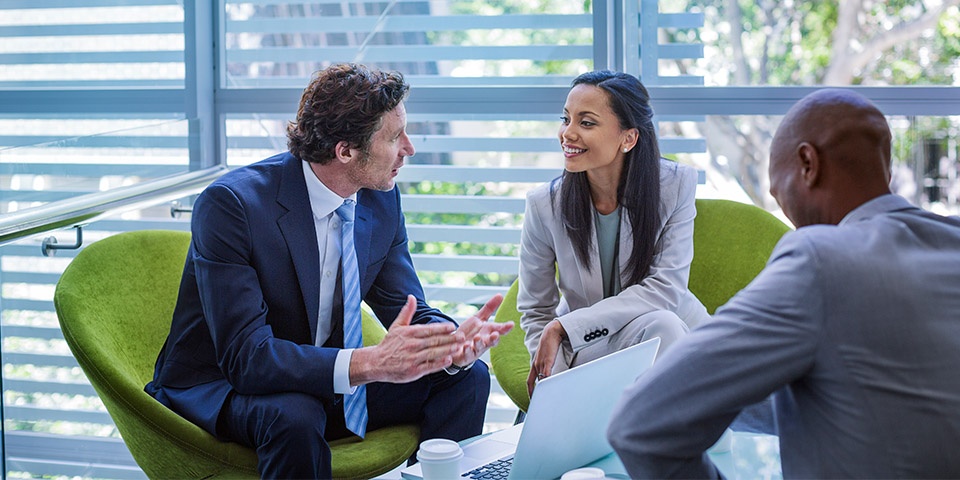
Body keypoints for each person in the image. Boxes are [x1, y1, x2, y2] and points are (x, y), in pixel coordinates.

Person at [145, 63, 513, 479]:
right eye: (394, 137)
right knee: (295, 415)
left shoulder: (379, 199)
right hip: (228, 383)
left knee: (466, 379)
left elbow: (405, 306)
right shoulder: (233, 207)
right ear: (345, 150)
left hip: (324, 378)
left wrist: (448, 346)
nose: (409, 148)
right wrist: (369, 364)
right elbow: (247, 358)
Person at [607, 88, 960, 478]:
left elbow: (642, 423)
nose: (787, 215)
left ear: (808, 163)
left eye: (780, 191)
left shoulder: (820, 258)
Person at [518, 70, 709, 394]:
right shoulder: (543, 205)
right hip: (594, 348)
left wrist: (567, 326)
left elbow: (665, 290)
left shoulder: (675, 186)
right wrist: (555, 382)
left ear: (628, 138)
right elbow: (536, 309)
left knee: (663, 325)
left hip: (674, 336)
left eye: (586, 122)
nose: (568, 133)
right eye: (566, 119)